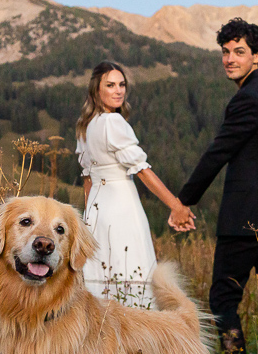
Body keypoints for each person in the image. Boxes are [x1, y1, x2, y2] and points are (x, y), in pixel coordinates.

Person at [174, 18, 258, 354]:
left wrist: (185, 199)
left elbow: (219, 152)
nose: (230, 59)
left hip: (245, 220)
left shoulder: (247, 99)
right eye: (225, 52)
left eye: (239, 52)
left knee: (223, 301)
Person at [76, 61, 196, 307]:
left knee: (101, 278)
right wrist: (176, 206)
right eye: (110, 85)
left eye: (122, 85)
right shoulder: (113, 122)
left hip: (97, 214)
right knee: (133, 273)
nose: (118, 90)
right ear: (96, 90)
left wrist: (88, 220)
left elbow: (88, 179)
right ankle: (138, 336)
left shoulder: (86, 127)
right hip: (122, 209)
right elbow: (142, 170)